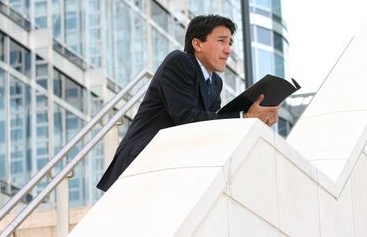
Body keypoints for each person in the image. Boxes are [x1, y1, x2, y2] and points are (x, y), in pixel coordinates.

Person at [97, 15, 279, 191]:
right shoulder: (179, 62)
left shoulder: (215, 82)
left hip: (174, 163)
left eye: (230, 43)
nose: (228, 49)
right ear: (197, 44)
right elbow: (187, 118)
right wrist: (244, 117)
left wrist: (254, 120)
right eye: (221, 41)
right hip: (142, 159)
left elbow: (213, 125)